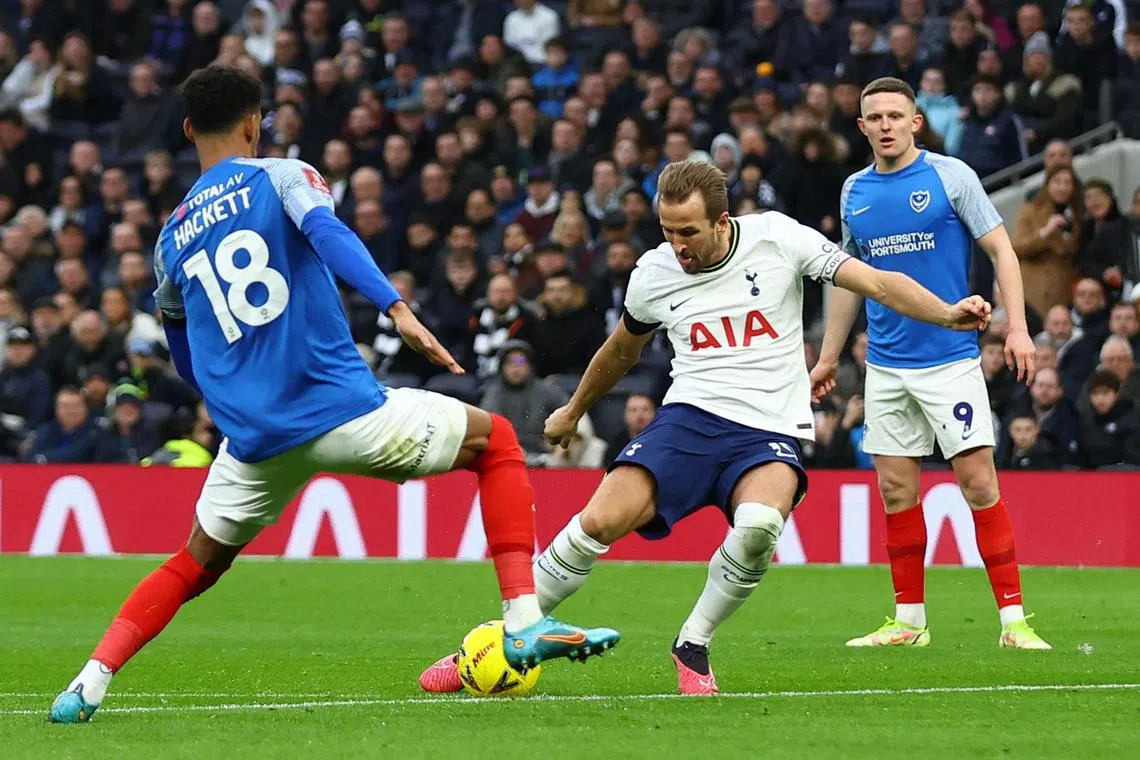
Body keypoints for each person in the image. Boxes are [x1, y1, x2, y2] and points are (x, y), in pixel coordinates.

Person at [49, 66, 619, 725]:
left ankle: (87, 682)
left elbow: (183, 348)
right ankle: (522, 621)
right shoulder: (283, 176)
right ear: (253, 124)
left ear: (186, 129)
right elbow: (328, 234)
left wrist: (227, 403)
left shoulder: (170, 237)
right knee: (498, 442)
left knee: (193, 563)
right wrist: (395, 306)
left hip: (254, 440)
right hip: (341, 411)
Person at [419, 158, 991, 696]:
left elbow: (879, 283)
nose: (677, 244)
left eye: (688, 232)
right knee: (596, 522)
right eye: (667, 230)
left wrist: (946, 314)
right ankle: (488, 645)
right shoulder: (654, 273)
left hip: (768, 428)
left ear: (722, 221)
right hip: (689, 420)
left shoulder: (777, 238)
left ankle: (692, 644)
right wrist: (573, 410)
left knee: (760, 526)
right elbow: (621, 350)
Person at [810, 77, 1051, 650]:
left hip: (949, 359)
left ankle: (1014, 623)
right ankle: (909, 622)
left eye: (896, 115)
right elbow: (847, 278)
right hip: (886, 365)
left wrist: (1018, 328)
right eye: (876, 117)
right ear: (862, 126)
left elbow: (1002, 250)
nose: (886, 125)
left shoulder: (951, 176)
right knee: (896, 490)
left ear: (916, 122)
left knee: (978, 484)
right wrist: (828, 357)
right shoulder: (853, 191)